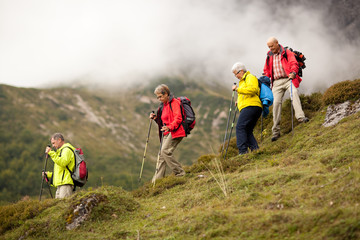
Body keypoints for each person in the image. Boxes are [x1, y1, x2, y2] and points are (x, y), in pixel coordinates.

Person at [263, 37, 309, 142]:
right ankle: (275, 132)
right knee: (276, 103)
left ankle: (301, 117)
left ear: (277, 43)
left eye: (272, 46)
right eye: (269, 47)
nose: (270, 48)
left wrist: (293, 72)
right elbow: (266, 70)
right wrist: (264, 77)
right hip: (276, 83)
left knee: (294, 93)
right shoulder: (269, 56)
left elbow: (294, 63)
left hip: (288, 79)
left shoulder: (286, 52)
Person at [150, 84, 186, 182]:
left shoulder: (175, 103)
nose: (159, 99)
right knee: (161, 156)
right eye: (157, 97)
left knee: (165, 151)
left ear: (166, 94)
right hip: (167, 132)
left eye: (160, 96)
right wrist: (155, 118)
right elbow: (162, 122)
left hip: (175, 131)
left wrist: (169, 127)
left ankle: (180, 173)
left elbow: (178, 118)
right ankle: (157, 181)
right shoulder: (163, 106)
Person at [231, 62, 263, 155]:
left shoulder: (250, 77)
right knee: (247, 130)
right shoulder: (243, 81)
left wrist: (237, 89)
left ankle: (242, 151)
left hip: (251, 106)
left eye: (236, 73)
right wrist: (238, 101)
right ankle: (256, 151)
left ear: (241, 71)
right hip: (251, 106)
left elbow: (253, 90)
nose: (236, 76)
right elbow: (245, 94)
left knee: (240, 127)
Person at [43, 133, 75, 199]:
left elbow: (63, 163)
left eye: (54, 143)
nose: (53, 145)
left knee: (64, 206)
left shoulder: (67, 150)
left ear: (59, 140)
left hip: (66, 184)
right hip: (61, 184)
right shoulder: (60, 151)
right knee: (59, 207)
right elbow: (61, 172)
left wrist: (51, 153)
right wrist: (48, 174)